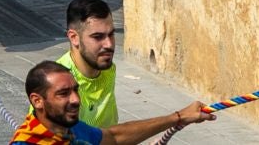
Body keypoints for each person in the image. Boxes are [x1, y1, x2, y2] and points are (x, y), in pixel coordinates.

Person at [14, 61, 211, 145]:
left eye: (75, 90)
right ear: (37, 101)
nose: (75, 99)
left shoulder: (69, 130)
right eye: (63, 94)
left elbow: (114, 137)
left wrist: (179, 117)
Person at [61, 0, 119, 131]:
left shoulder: (107, 68)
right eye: (98, 37)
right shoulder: (58, 85)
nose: (109, 44)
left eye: (111, 34)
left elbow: (111, 133)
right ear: (74, 38)